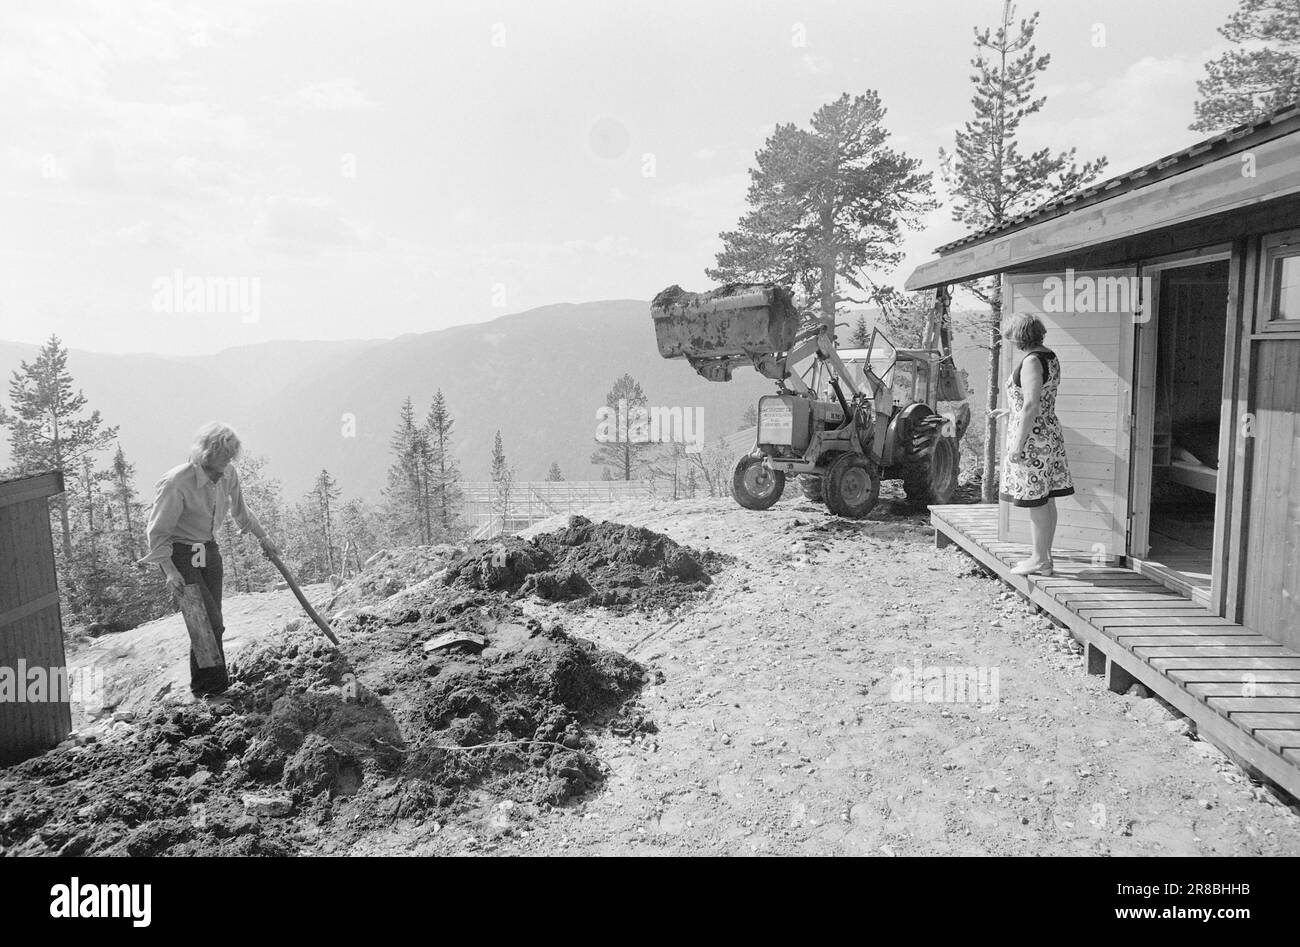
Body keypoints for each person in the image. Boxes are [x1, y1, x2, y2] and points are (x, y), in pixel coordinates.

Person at [140, 422, 277, 696]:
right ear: (206, 453)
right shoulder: (177, 482)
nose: (226, 464)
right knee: (205, 621)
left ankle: (214, 685)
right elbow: (157, 532)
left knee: (211, 619)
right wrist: (168, 570)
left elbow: (241, 511)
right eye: (222, 458)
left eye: (230, 457)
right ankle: (209, 690)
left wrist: (264, 538)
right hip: (180, 553)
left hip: (207, 550)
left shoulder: (228, 474)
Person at [991, 312, 1074, 576]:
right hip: (1048, 433)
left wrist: (1017, 444)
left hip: (1033, 440)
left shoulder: (1031, 361)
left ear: (1019, 336)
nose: (1010, 341)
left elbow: (1031, 405)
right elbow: (1039, 399)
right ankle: (1044, 558)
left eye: (1011, 336)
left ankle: (1039, 559)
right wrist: (1009, 412)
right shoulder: (1049, 356)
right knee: (1046, 498)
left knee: (1036, 500)